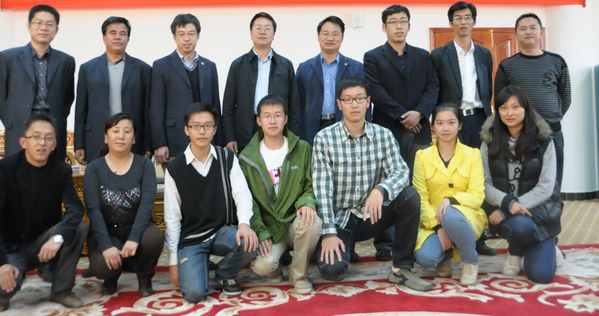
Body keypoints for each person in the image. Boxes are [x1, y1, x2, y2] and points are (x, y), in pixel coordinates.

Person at [312, 77, 433, 292]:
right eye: (348, 99)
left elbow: (401, 172)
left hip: (371, 215)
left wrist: (381, 190)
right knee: (333, 270)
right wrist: (329, 233)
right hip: (340, 219)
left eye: (360, 98)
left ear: (368, 102)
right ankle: (334, 248)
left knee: (409, 196)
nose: (354, 104)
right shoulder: (324, 139)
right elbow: (322, 190)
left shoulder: (383, 135)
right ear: (339, 104)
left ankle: (401, 269)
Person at [0, 113, 87, 312]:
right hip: (10, 247)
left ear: (54, 145)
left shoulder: (61, 170)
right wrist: (0, 263)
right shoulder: (6, 168)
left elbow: (76, 208)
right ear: (23, 142)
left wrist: (57, 238)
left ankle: (61, 290)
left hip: (42, 244)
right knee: (2, 292)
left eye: (48, 138)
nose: (42, 143)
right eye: (36, 137)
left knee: (78, 228)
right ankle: (9, 281)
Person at [363, 4, 439, 261]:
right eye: (393, 21)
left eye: (403, 21)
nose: (398, 26)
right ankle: (385, 243)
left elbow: (433, 86)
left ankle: (417, 238)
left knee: (418, 184)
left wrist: (420, 113)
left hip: (419, 130)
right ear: (384, 27)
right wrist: (403, 115)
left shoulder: (423, 56)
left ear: (409, 25)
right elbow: (375, 90)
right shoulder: (373, 57)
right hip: (388, 130)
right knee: (386, 184)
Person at [164, 103, 258, 303]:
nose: (202, 131)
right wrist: (173, 262)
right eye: (196, 126)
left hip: (222, 231)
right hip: (192, 238)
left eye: (207, 125)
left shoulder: (227, 158)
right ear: (186, 130)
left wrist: (244, 224)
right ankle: (198, 263)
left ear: (215, 130)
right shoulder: (175, 168)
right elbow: (172, 218)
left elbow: (242, 194)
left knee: (249, 242)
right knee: (195, 294)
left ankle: (224, 272)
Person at [431, 1, 496, 256]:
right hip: (452, 122)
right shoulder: (439, 55)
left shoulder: (484, 54)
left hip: (480, 120)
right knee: (454, 176)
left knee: (480, 176)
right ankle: (450, 231)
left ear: (474, 21)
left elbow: (487, 89)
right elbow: (436, 91)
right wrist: (440, 123)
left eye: (467, 17)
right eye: (457, 18)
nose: (463, 22)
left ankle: (479, 237)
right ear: (451, 23)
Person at [239, 95, 322, 294]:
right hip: (269, 227)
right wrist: (261, 232)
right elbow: (248, 201)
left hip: (294, 221)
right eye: (267, 116)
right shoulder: (247, 158)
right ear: (259, 121)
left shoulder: (302, 149)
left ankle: (299, 275)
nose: (273, 120)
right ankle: (274, 270)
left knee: (312, 223)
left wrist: (306, 203)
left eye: (277, 115)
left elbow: (310, 185)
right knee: (263, 266)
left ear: (285, 119)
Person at [480, 86, 563, 284]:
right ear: (497, 111)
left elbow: (546, 186)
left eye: (515, 107)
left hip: (539, 212)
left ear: (526, 108)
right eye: (503, 108)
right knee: (522, 227)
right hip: (511, 216)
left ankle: (547, 244)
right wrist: (507, 203)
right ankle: (515, 252)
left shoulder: (544, 141)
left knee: (541, 275)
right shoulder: (488, 141)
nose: (509, 113)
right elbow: (484, 183)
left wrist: (509, 207)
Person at [82, 113, 164, 297]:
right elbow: (93, 210)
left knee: (154, 237)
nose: (121, 136)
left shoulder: (144, 165)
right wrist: (106, 245)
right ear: (106, 137)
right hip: (108, 232)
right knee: (103, 268)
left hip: (137, 229)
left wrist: (134, 238)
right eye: (115, 131)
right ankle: (112, 276)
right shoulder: (94, 168)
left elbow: (147, 205)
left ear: (133, 138)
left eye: (127, 131)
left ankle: (144, 277)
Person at [413, 104, 488, 286]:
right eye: (440, 123)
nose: (445, 128)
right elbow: (420, 198)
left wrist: (451, 200)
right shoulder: (422, 156)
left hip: (466, 217)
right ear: (433, 126)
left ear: (460, 125)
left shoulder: (473, 154)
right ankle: (445, 254)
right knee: (425, 258)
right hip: (433, 220)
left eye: (451, 123)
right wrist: (439, 228)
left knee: (450, 213)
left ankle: (470, 260)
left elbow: (477, 195)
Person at [494, 13, 571, 190]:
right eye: (523, 28)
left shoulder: (557, 61)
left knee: (553, 180)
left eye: (533, 27)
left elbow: (565, 96)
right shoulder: (507, 66)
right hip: (519, 133)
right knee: (522, 181)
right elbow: (499, 100)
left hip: (551, 131)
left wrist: (552, 116)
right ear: (516, 34)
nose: (528, 32)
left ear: (541, 32)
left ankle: (553, 209)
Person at [0, 4, 75, 159]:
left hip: (53, 128)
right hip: (19, 128)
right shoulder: (8, 57)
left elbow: (68, 97)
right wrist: (12, 122)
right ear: (29, 26)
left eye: (49, 24)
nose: (44, 28)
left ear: (56, 30)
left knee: (53, 171)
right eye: (38, 23)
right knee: (18, 171)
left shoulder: (66, 61)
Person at [74, 17, 152, 164]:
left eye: (122, 33)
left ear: (128, 39)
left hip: (131, 139)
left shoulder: (143, 70)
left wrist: (148, 144)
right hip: (96, 138)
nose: (117, 37)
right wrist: (79, 144)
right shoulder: (87, 69)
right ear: (104, 38)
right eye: (113, 33)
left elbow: (148, 112)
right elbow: (81, 111)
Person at [223, 12, 300, 154]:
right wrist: (229, 137)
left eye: (267, 28)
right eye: (258, 28)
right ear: (251, 33)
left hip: (277, 128)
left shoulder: (285, 65)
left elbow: (294, 106)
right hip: (245, 130)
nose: (262, 32)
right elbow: (228, 106)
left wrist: (293, 137)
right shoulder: (238, 65)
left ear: (274, 34)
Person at [151, 14, 222, 168]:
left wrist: (218, 141)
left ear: (198, 36)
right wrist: (160, 143)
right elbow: (156, 108)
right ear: (174, 37)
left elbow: (215, 105)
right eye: (181, 34)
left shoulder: (209, 66)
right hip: (174, 141)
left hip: (206, 141)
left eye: (191, 33)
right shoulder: (161, 66)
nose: (186, 38)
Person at [296, 15, 370, 146]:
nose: (330, 38)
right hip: (312, 129)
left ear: (342, 37)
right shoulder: (305, 68)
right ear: (318, 36)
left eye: (335, 34)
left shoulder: (356, 68)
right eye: (325, 33)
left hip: (346, 126)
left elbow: (364, 102)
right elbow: (298, 104)